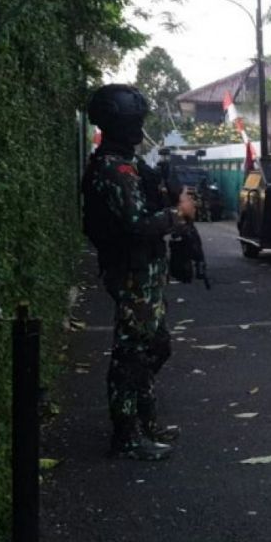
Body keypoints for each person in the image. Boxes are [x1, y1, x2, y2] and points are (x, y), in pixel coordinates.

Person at [82, 84, 196, 461]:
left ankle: (146, 422)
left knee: (155, 346)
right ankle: (126, 435)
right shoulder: (113, 169)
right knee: (130, 355)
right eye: (134, 121)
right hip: (131, 273)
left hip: (145, 274)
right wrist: (179, 215)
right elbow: (136, 224)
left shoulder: (127, 164)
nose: (138, 128)